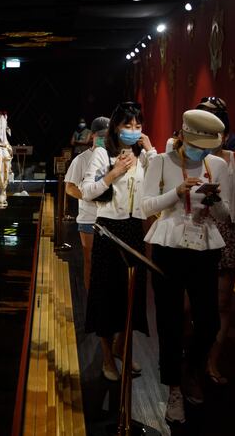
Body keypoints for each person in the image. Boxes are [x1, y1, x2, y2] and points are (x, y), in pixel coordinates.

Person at [141, 109, 229, 424]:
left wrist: (213, 201)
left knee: (209, 323)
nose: (201, 151)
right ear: (183, 134)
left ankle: (192, 369)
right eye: (196, 143)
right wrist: (175, 193)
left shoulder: (218, 165)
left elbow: (225, 216)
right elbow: (145, 206)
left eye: (207, 146)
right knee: (170, 323)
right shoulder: (161, 162)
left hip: (205, 247)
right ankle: (174, 389)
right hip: (168, 247)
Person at [81, 102, 156, 382]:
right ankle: (106, 356)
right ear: (116, 127)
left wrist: (151, 152)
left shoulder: (144, 155)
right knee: (106, 296)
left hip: (135, 230)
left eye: (138, 126)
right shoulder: (103, 153)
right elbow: (88, 192)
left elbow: (159, 184)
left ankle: (121, 347)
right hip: (108, 231)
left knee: (131, 296)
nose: (133, 131)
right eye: (128, 126)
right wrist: (113, 173)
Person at [202, 108, 235, 385]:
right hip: (197, 232)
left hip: (226, 233)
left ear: (227, 133)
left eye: (218, 130)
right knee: (190, 303)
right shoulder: (193, 158)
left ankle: (212, 361)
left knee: (222, 303)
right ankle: (192, 353)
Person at [64, 116, 109, 290]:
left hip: (110, 218)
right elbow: (69, 187)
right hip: (89, 218)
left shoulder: (115, 157)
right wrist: (89, 195)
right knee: (90, 259)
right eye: (101, 135)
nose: (104, 139)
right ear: (93, 135)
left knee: (108, 262)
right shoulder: (81, 159)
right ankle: (90, 298)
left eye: (107, 135)